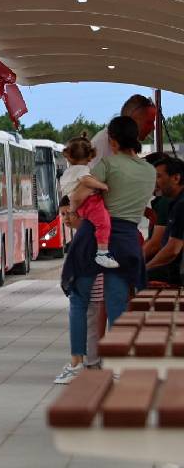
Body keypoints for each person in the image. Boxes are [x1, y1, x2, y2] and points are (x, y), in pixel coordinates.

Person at [56, 116, 156, 385]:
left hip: (94, 237)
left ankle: (78, 362)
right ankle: (119, 366)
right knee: (117, 304)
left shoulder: (107, 165)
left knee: (79, 299)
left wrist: (74, 208)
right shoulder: (149, 171)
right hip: (126, 239)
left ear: (112, 140)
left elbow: (79, 195)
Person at [59, 134, 119, 268]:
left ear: (68, 156)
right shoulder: (82, 170)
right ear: (90, 156)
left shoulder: (68, 172)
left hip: (79, 204)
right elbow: (86, 181)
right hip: (89, 202)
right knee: (104, 224)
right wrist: (102, 185)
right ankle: (102, 253)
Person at [144, 158, 184, 284]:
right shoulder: (176, 203)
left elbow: (173, 249)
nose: (154, 182)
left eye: (158, 176)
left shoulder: (182, 205)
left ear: (176, 178)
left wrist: (145, 269)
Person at [89, 94, 156, 166]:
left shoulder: (127, 145)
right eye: (149, 122)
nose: (153, 127)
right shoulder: (101, 145)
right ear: (132, 119)